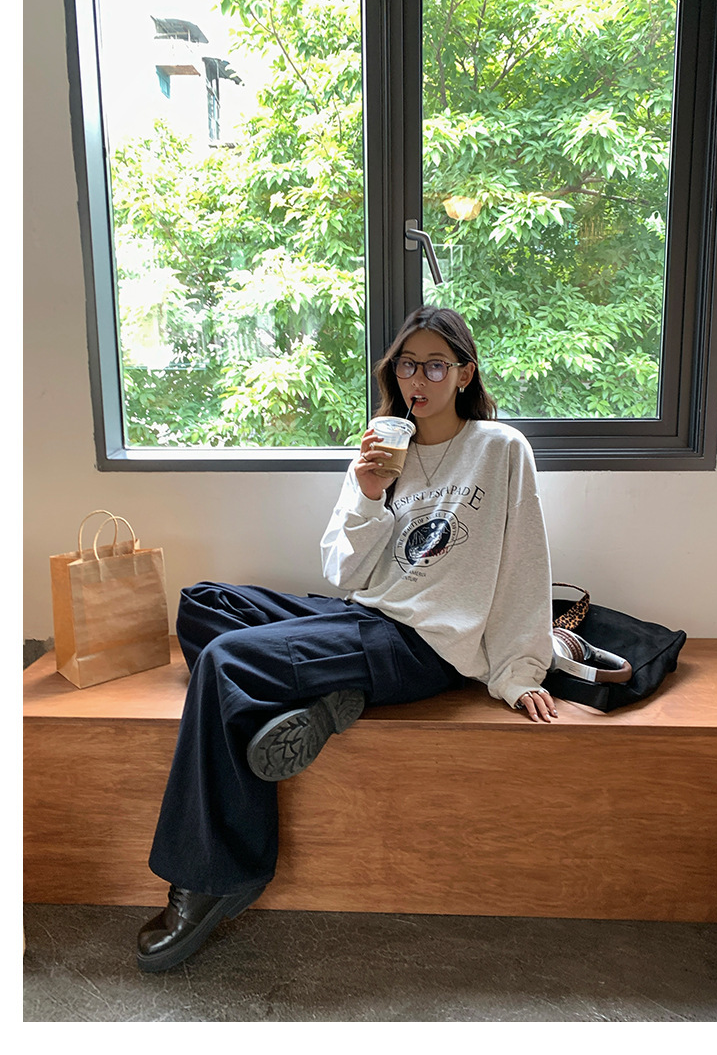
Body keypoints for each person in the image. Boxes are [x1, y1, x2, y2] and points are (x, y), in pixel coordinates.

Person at [137, 304, 557, 973]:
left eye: (435, 365)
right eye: (407, 364)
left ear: (464, 373)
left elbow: (525, 564)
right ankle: (321, 697)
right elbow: (342, 573)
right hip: (363, 615)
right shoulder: (380, 452)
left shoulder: (500, 448)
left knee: (224, 662)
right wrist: (368, 494)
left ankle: (216, 877)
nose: (418, 379)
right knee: (203, 606)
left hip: (422, 644)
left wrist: (518, 671)